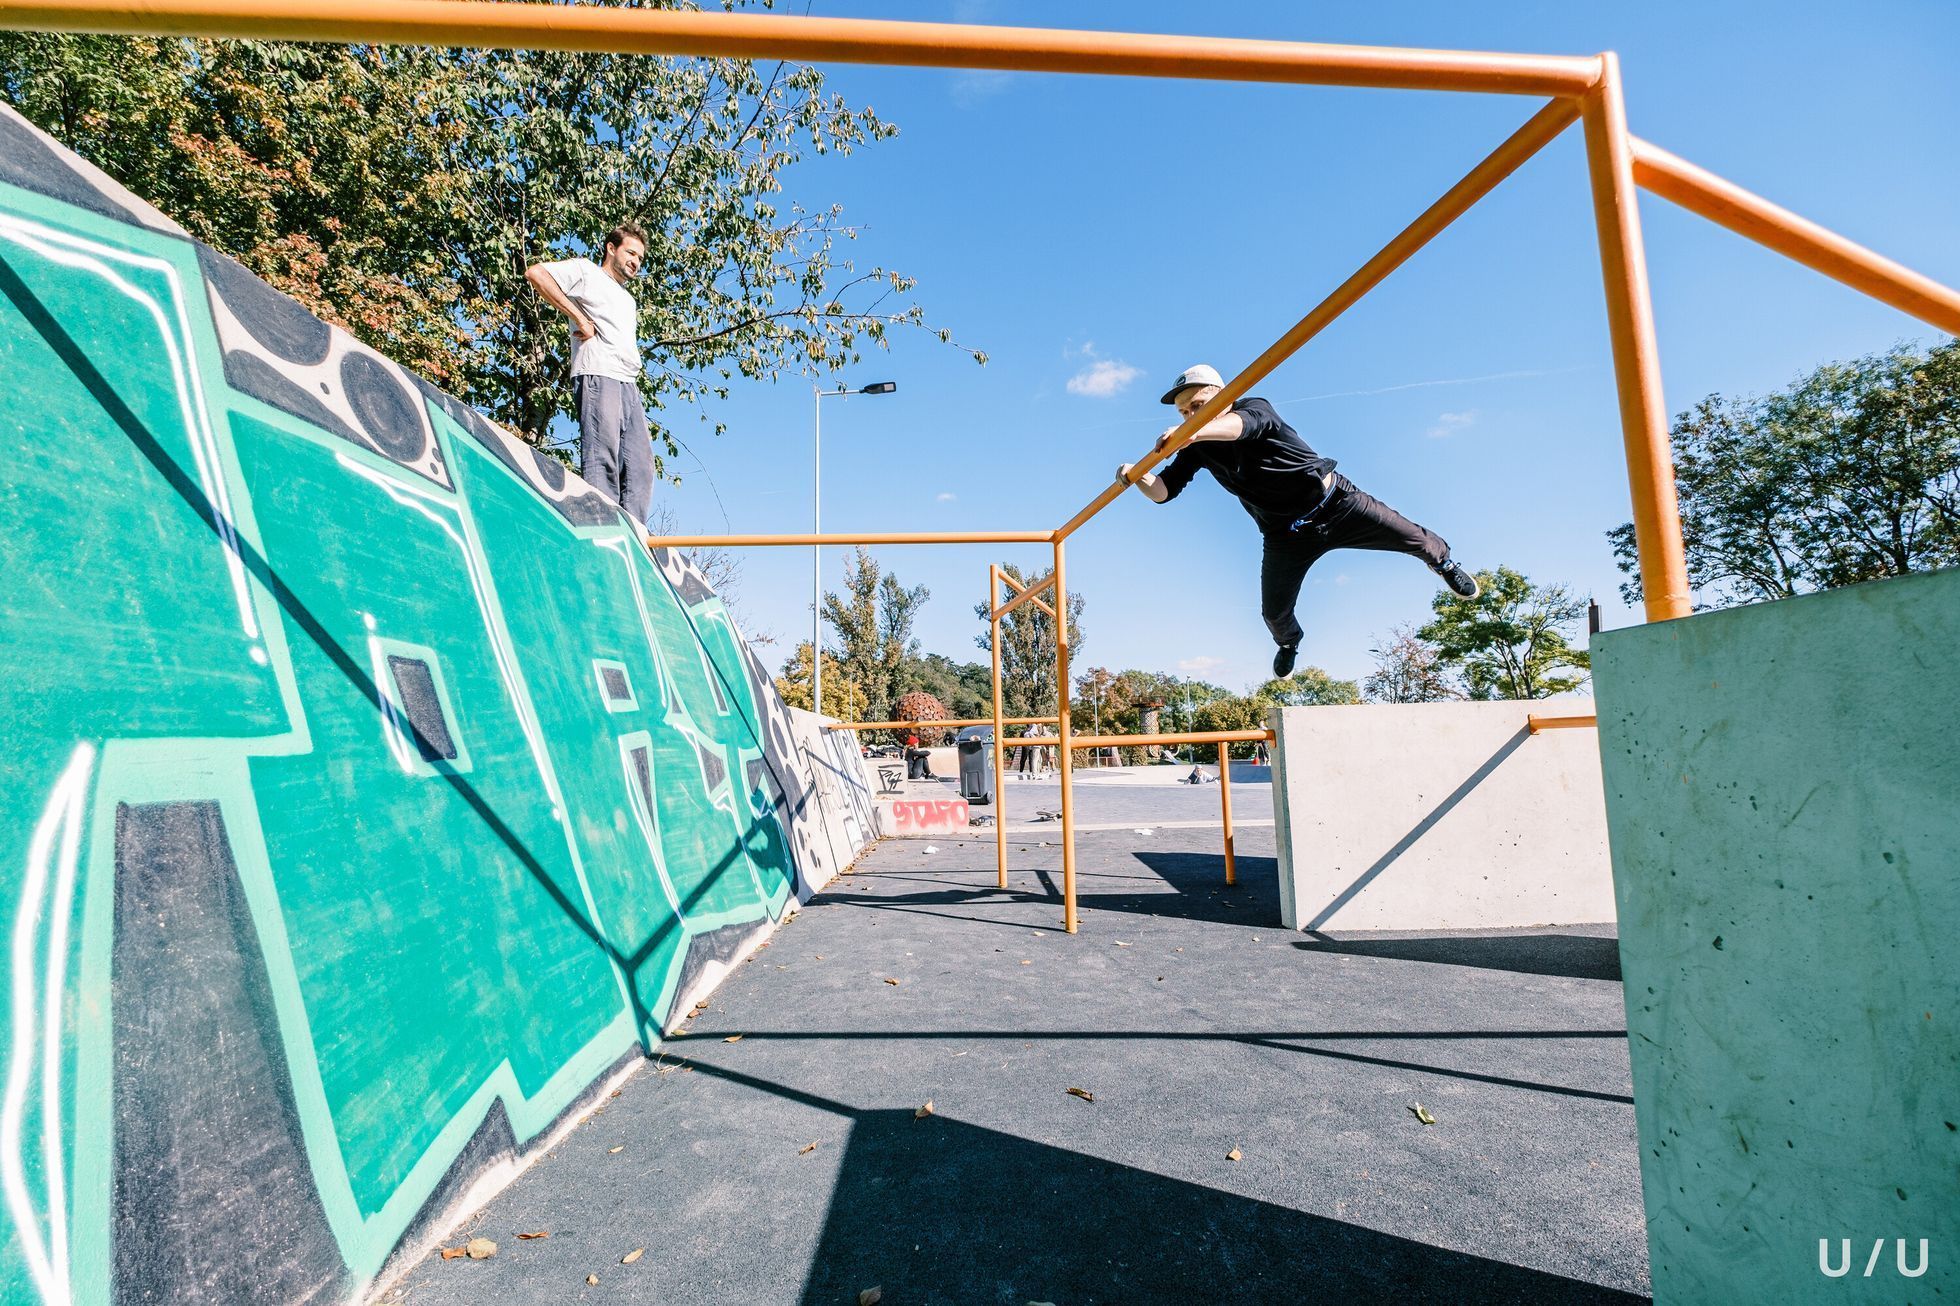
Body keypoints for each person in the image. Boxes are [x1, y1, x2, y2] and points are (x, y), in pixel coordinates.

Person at [1117, 364, 1480, 677]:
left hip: (1338, 504)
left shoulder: (1254, 409)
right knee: (1273, 612)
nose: (1188, 417)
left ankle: (1445, 564)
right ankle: (1289, 643)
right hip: (1284, 535)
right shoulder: (1196, 446)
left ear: (1223, 396)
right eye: (1183, 413)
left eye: (1197, 406)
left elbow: (1240, 427)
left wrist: (1192, 431)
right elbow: (1164, 491)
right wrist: (1136, 476)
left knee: (1415, 538)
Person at [524, 222, 655, 525]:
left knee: (641, 467)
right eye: (631, 253)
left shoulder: (628, 299)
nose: (636, 262)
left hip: (628, 384)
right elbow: (537, 273)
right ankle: (602, 529)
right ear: (611, 248)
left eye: (641, 259)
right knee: (602, 457)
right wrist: (578, 317)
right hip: (599, 374)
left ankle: (631, 535)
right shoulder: (587, 272)